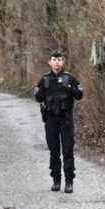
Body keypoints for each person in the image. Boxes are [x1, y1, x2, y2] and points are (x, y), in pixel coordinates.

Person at [34, 49, 83, 192]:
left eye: (59, 59)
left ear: (63, 62)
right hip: (51, 120)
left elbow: (80, 95)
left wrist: (69, 88)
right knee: (54, 151)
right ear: (49, 62)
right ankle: (56, 180)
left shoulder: (70, 78)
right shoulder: (45, 79)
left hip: (66, 119)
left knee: (68, 151)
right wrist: (40, 92)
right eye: (54, 60)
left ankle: (69, 182)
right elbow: (38, 97)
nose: (57, 62)